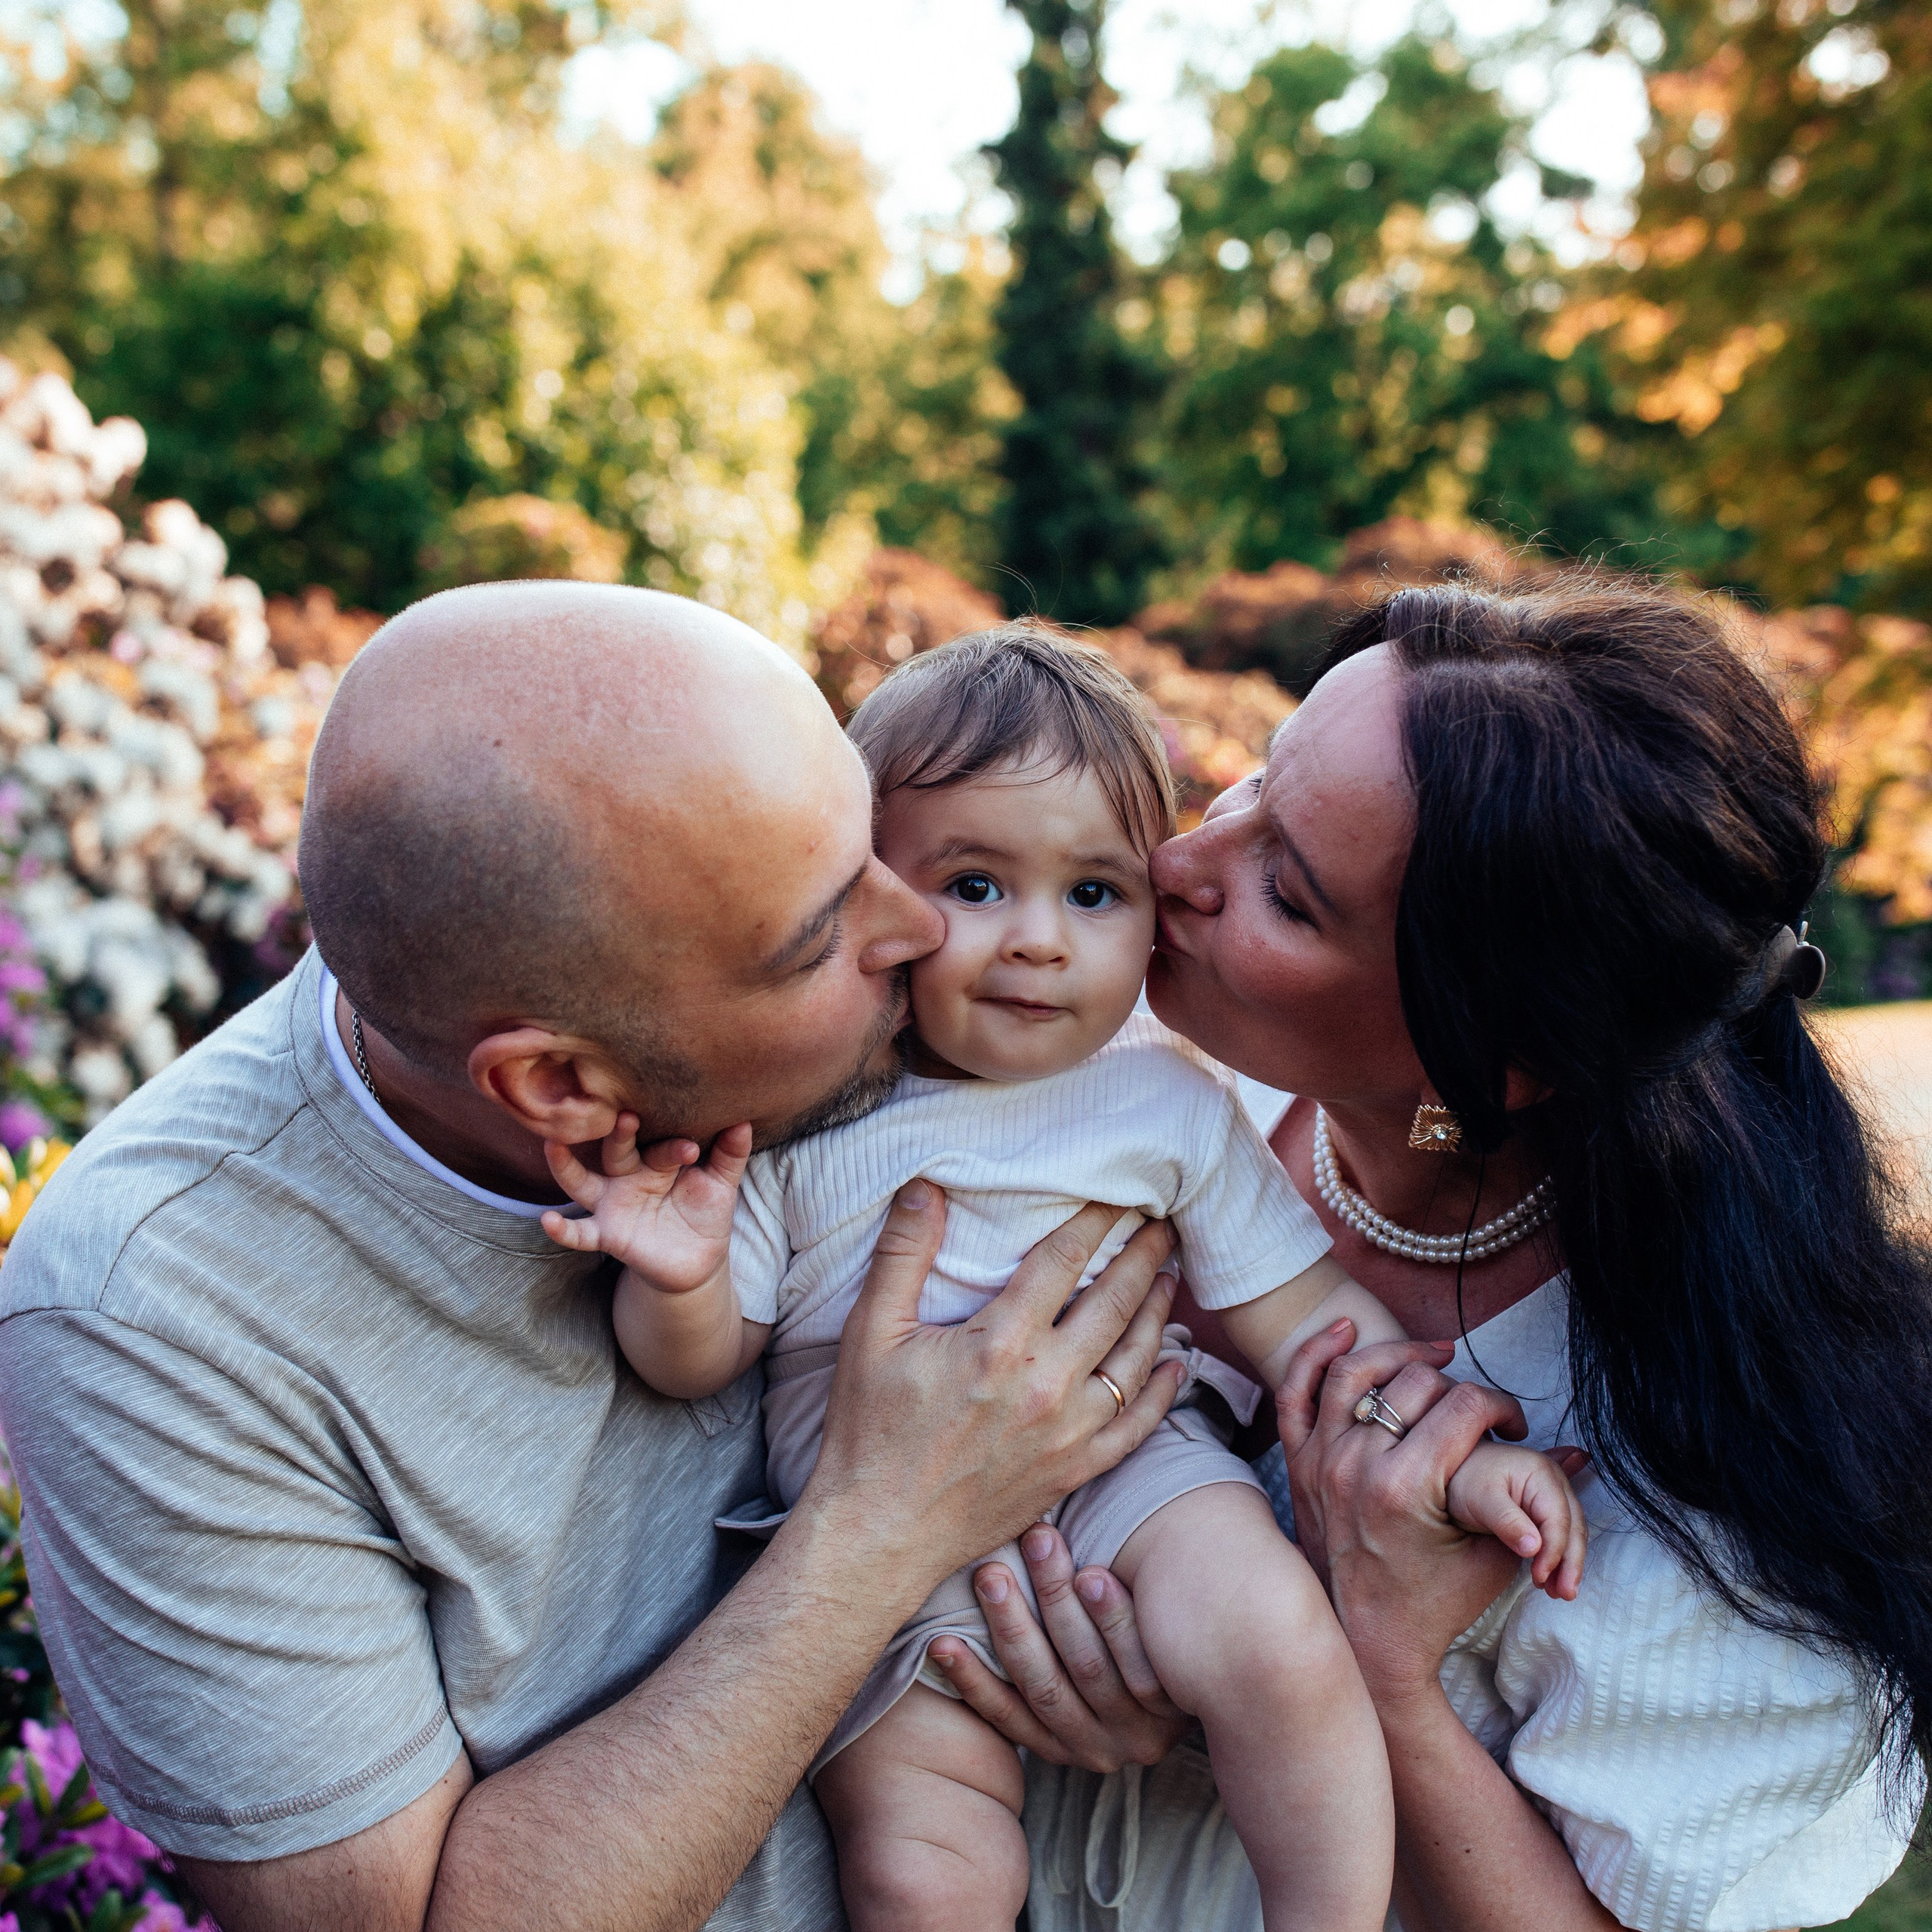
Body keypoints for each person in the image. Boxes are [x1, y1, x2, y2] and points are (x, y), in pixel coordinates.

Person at [0, 582, 1197, 1932]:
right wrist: (885, 1529)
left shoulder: (864, 1013)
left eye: (874, 844)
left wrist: (1153, 1635)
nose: (920, 927)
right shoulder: (160, 1320)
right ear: (564, 1086)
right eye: (824, 938)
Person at [543, 627, 1589, 1932]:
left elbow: (1312, 1326)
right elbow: (690, 1359)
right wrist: (684, 1275)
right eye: (976, 887)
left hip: (1134, 1487)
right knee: (927, 1876)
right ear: (869, 892)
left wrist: (1451, 1458)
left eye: (1094, 894)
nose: (1039, 942)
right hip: (873, 1565)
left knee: (1282, 1652)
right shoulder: (805, 1117)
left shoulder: (1162, 1103)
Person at [1006, 576, 1931, 1931]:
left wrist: (1382, 1670)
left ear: (1496, 1063)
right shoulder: (1124, 1062)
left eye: (1288, 891)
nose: (1178, 865)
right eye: (1254, 781)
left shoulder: (1718, 1503)